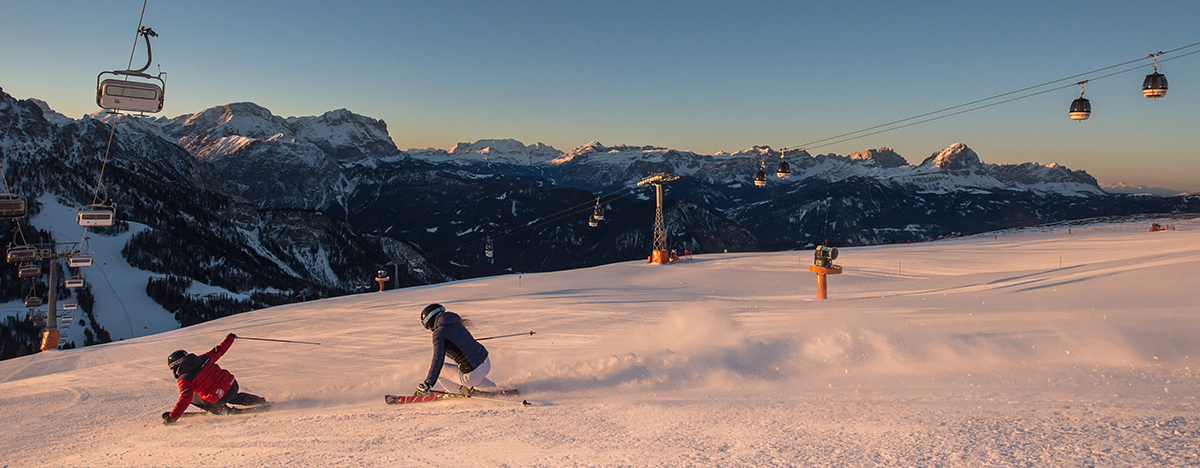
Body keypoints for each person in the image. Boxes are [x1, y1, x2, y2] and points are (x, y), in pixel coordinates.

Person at [161, 333, 267, 424]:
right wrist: (230, 338)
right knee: (232, 396)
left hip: (218, 398)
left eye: (173, 368)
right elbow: (220, 349)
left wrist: (172, 418)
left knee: (193, 397)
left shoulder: (185, 379)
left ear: (177, 365)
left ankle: (222, 410)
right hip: (232, 385)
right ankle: (259, 400)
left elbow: (185, 398)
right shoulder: (204, 358)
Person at [416, 303, 495, 395]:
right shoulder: (454, 322)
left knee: (441, 372)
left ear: (430, 321)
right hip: (486, 363)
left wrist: (429, 382)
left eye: (427, 326)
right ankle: (491, 389)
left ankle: (461, 392)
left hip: (473, 373)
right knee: (471, 372)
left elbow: (438, 359)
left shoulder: (439, 333)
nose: (429, 329)